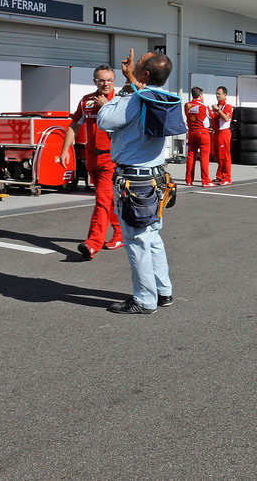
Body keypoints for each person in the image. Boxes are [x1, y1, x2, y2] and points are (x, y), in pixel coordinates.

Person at [96, 50, 175, 314]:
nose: (135, 60)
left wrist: (123, 91)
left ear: (145, 74)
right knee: (152, 237)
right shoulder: (162, 97)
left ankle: (144, 300)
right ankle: (163, 291)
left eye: (139, 61)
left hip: (134, 180)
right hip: (155, 177)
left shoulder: (133, 99)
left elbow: (105, 120)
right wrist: (132, 82)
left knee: (138, 241)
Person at [60, 64, 123, 261]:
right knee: (107, 200)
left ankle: (92, 244)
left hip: (111, 158)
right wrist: (65, 150)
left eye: (110, 80)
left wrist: (107, 108)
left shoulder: (121, 100)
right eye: (102, 80)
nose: (106, 84)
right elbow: (73, 125)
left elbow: (125, 126)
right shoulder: (86, 101)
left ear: (115, 81)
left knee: (102, 200)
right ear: (94, 81)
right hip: (91, 157)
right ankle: (120, 234)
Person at [183, 87, 214, 187]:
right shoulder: (204, 106)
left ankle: (188, 180)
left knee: (191, 156)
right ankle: (205, 181)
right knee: (204, 157)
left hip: (192, 132)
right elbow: (212, 116)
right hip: (202, 133)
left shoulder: (187, 105)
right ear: (200, 95)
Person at [211, 86, 233, 186]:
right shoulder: (218, 106)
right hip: (216, 133)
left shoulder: (227, 106)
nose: (217, 95)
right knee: (218, 156)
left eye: (219, 93)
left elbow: (226, 118)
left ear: (225, 95)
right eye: (216, 93)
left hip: (223, 133)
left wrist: (218, 111)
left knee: (225, 156)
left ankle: (227, 177)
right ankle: (219, 176)